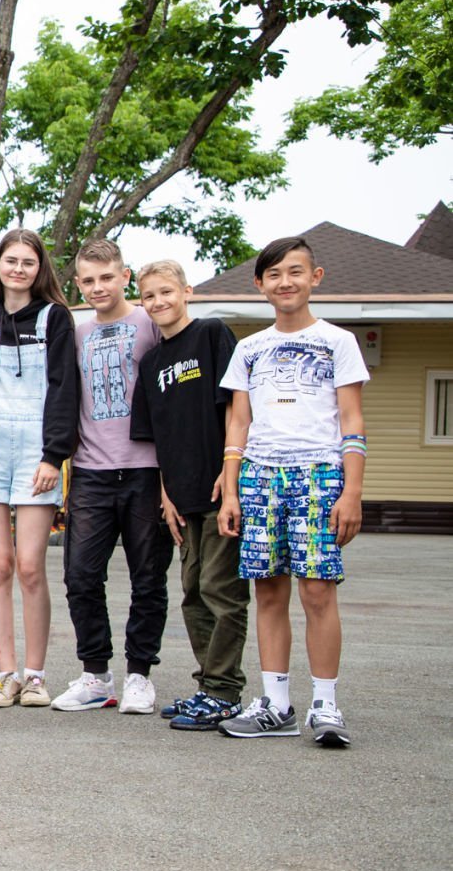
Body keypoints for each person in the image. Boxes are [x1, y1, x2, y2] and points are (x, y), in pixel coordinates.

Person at [216, 237, 368, 747]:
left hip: (319, 474)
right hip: (260, 475)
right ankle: (276, 704)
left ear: (315, 277)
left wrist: (352, 491)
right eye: (275, 274)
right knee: (268, 589)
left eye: (296, 271)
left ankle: (325, 704)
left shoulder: (338, 341)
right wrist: (231, 490)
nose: (286, 282)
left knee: (318, 589)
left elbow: (352, 420)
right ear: (260, 284)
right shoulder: (248, 348)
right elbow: (238, 424)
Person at [0, 229, 79, 709]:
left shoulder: (55, 318)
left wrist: (53, 455)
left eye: (28, 262)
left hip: (36, 443)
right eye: (11, 260)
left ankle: (35, 676)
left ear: (40, 268)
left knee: (29, 566)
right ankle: (5, 674)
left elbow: (65, 387)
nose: (19, 269)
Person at [51, 240, 172, 714]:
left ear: (125, 277)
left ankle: (140, 675)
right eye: (88, 280)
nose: (98, 287)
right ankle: (96, 675)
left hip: (146, 469)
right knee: (81, 576)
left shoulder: (150, 324)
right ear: (78, 284)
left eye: (107, 277)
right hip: (91, 471)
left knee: (148, 577)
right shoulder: (77, 333)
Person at [130, 260, 249, 730]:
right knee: (194, 593)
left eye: (166, 292)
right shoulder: (151, 363)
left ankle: (224, 692)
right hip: (181, 496)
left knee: (222, 590)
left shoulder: (212, 335)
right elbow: (157, 437)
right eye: (149, 296)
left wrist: (230, 475)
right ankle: (208, 687)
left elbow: (238, 409)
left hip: (220, 488)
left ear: (187, 291)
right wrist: (166, 494)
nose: (158, 302)